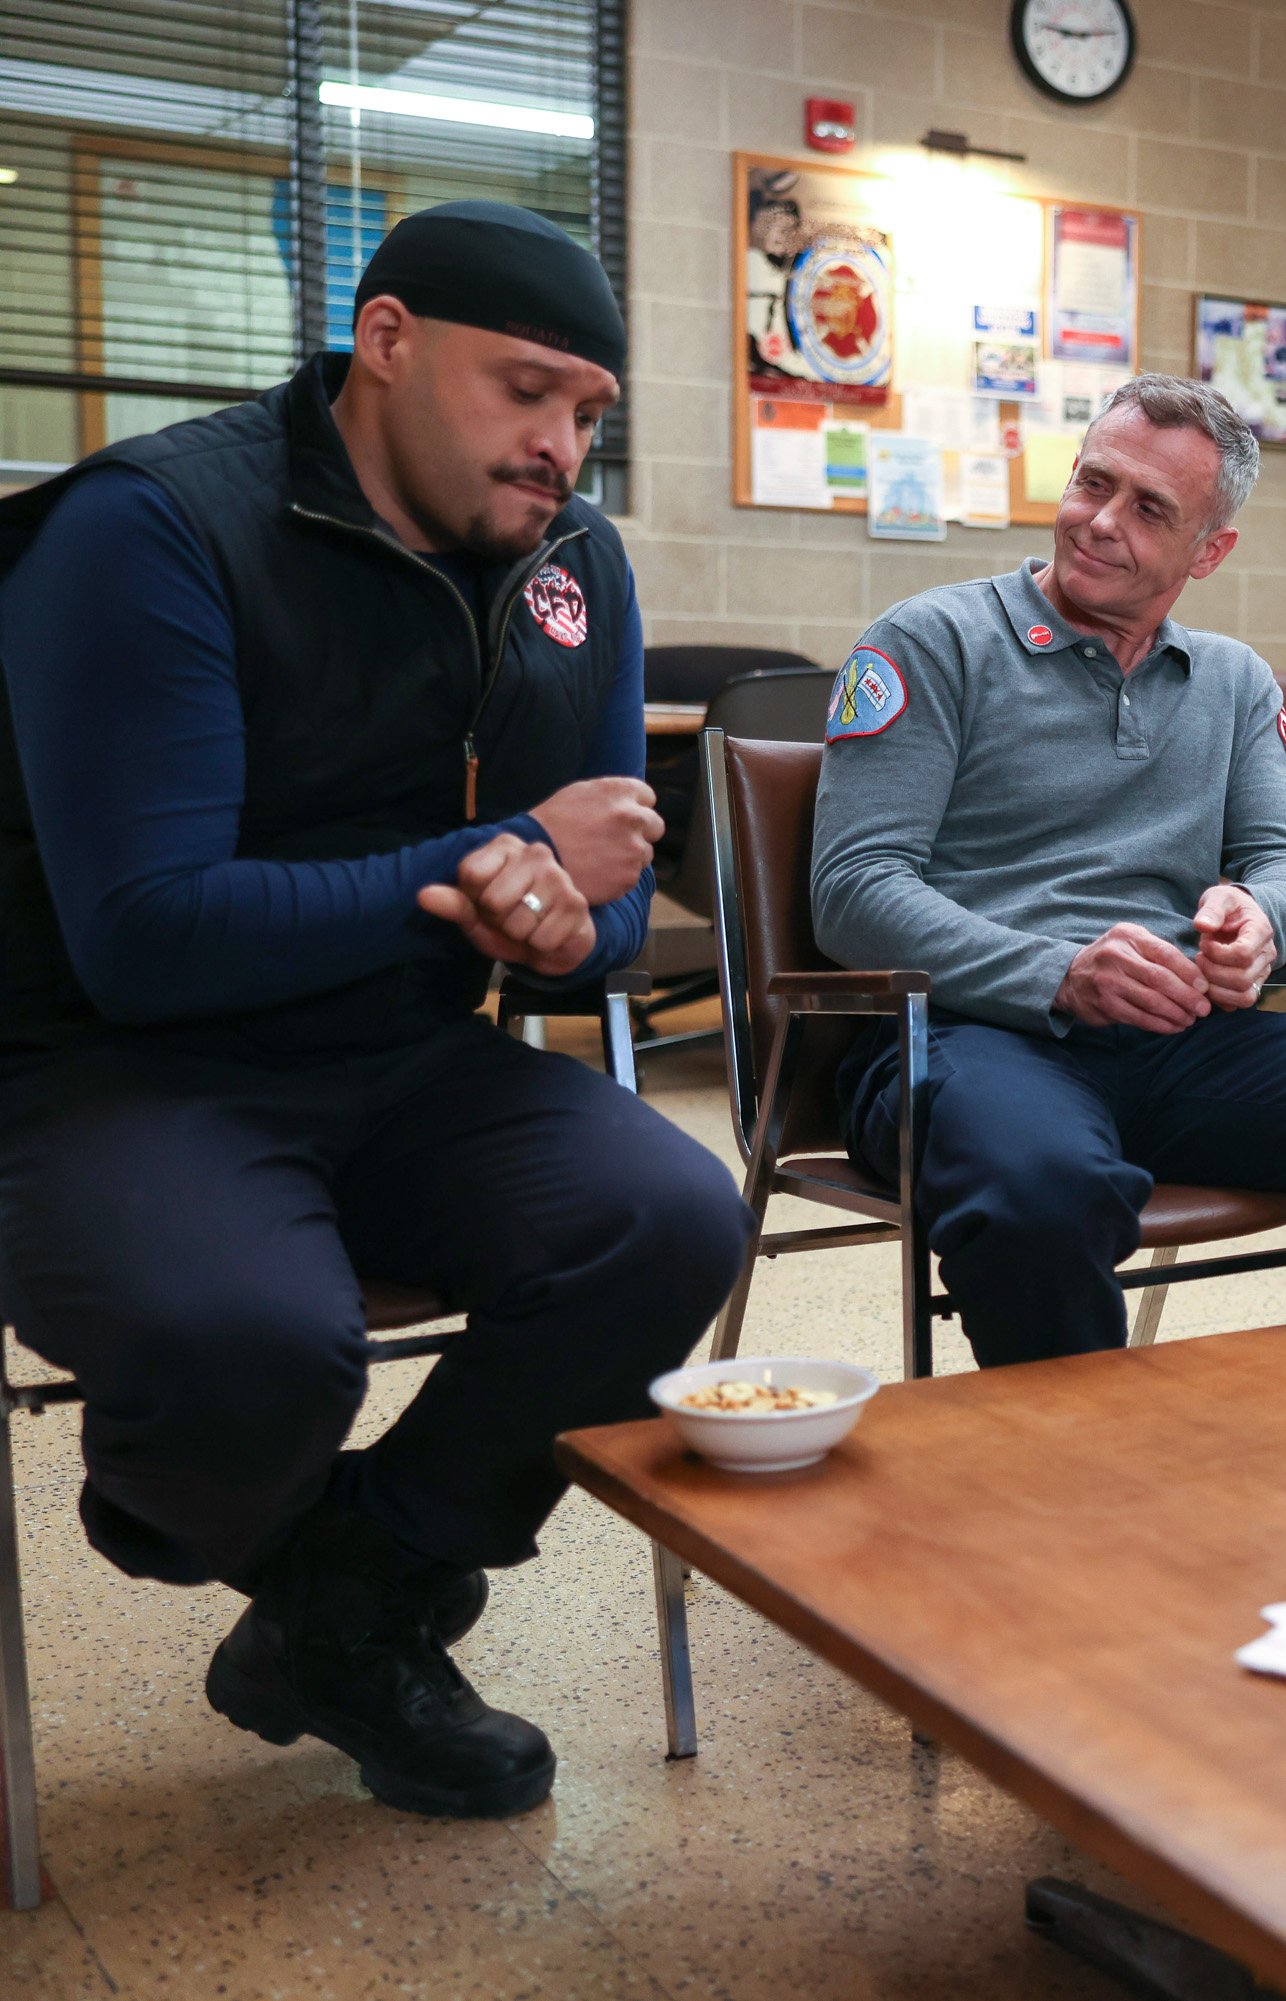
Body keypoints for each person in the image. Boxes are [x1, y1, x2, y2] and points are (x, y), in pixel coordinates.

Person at [0, 202, 751, 1819]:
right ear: (388, 342)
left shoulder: (573, 566)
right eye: (527, 391)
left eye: (590, 414)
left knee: (674, 1216)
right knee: (245, 1344)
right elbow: (142, 937)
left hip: (405, 1057)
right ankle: (206, 1492)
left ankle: (342, 1602)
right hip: (119, 1072)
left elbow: (600, 897)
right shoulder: (154, 527)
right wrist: (491, 864)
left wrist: (561, 926)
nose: (561, 446)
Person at [811, 373, 1286, 1399]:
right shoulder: (931, 642)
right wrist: (1059, 973)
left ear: (1210, 550)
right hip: (976, 1037)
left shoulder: (1232, 682)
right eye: (1092, 483)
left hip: (1179, 1038)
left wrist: (1261, 921)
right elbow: (853, 888)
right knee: (1041, 1191)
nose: (1100, 521)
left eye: (1148, 507)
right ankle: (1091, 1496)